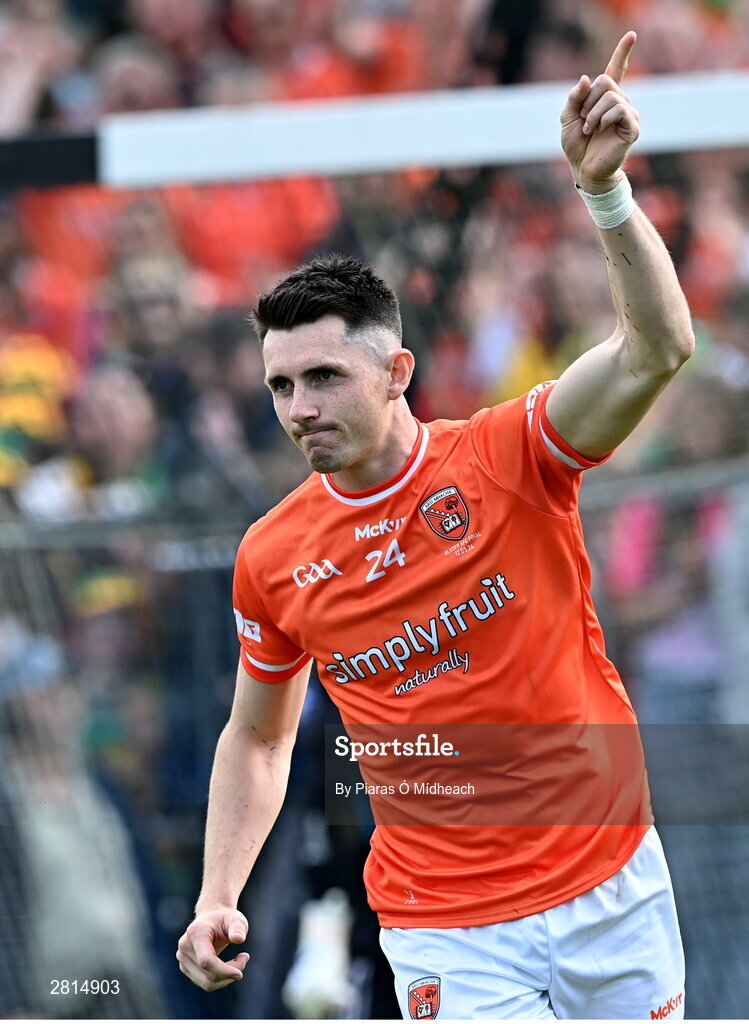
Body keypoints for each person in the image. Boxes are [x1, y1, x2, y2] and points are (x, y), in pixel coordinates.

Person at [177, 32, 694, 1019]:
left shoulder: (510, 455)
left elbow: (655, 349)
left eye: (323, 376)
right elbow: (256, 739)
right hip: (444, 925)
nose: (298, 406)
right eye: (280, 383)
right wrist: (216, 892)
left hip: (608, 877)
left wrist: (605, 195)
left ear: (396, 374)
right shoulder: (273, 556)